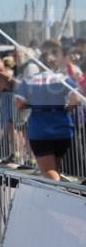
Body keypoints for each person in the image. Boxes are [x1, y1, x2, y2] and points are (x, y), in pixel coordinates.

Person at [14, 40, 81, 181]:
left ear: (39, 64)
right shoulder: (64, 79)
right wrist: (67, 109)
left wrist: (31, 105)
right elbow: (76, 97)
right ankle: (61, 191)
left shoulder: (29, 81)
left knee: (49, 171)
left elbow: (18, 104)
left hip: (40, 130)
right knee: (54, 168)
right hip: (63, 128)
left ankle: (63, 193)